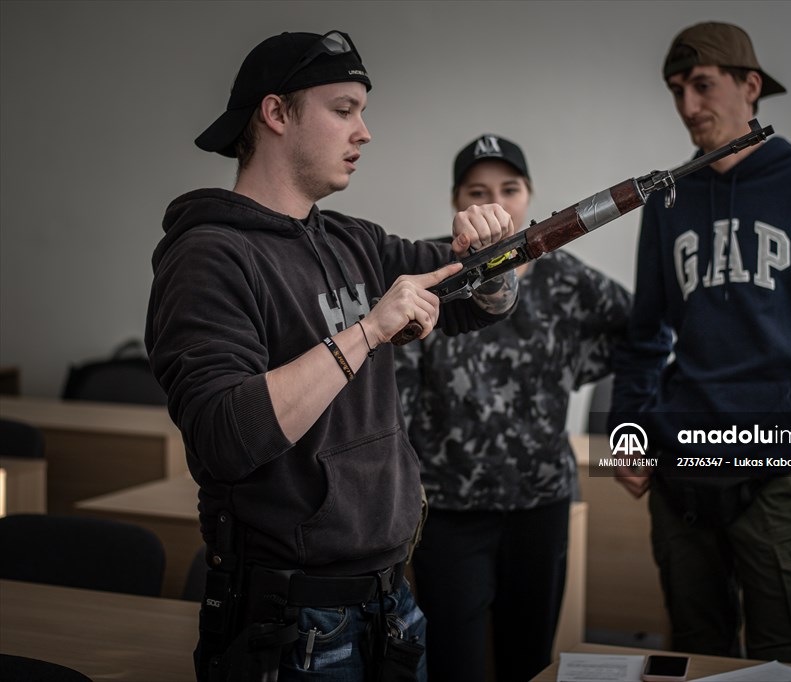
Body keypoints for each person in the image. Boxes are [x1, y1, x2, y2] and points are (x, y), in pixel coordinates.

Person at [145, 30, 519, 681]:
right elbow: (224, 435)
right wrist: (368, 331)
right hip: (293, 623)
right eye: (344, 109)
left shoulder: (354, 242)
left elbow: (479, 301)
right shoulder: (209, 255)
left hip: (391, 601)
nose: (364, 132)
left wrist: (492, 257)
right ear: (276, 112)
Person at [609, 22, 791, 664]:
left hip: (779, 476)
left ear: (750, 86)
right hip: (681, 475)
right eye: (677, 90)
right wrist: (627, 433)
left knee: (786, 664)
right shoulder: (668, 201)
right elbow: (644, 338)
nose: (689, 105)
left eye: (702, 85)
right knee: (697, 659)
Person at [394, 134, 632, 681]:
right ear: (456, 201)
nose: (494, 203)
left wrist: (574, 370)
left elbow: (640, 329)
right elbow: (395, 382)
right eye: (477, 192)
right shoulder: (432, 270)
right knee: (453, 660)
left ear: (529, 195)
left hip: (540, 503)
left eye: (509, 189)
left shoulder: (564, 276)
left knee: (529, 659)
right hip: (448, 507)